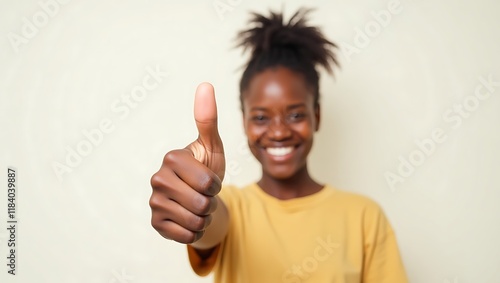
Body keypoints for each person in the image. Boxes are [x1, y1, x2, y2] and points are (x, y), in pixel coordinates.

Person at [149, 8, 408, 283]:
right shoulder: (231, 206)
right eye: (261, 117)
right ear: (245, 122)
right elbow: (211, 222)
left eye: (295, 115)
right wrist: (195, 200)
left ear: (316, 116)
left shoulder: (365, 217)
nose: (279, 131)